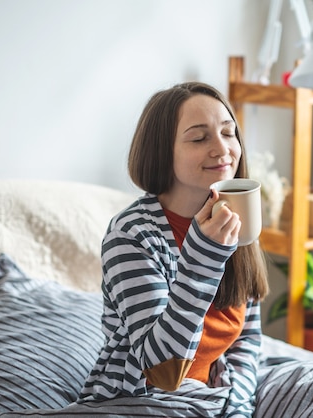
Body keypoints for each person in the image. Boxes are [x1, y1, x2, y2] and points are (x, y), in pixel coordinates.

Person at [78, 81, 269, 416]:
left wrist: (238, 401)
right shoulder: (131, 235)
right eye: (199, 137)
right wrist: (204, 258)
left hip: (214, 393)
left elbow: (247, 340)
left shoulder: (234, 214)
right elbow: (162, 370)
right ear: (162, 152)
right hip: (140, 399)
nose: (222, 148)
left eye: (229, 132)